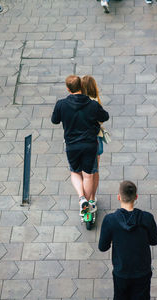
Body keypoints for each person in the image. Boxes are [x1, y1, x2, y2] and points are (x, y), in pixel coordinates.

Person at [51, 75, 109, 215]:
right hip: (90, 145)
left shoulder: (61, 104)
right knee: (88, 176)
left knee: (74, 172)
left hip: (72, 145)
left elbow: (55, 120)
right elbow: (105, 117)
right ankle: (88, 206)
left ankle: (82, 198)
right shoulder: (92, 105)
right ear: (81, 87)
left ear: (67, 88)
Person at [98, 181, 157, 300]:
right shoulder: (147, 218)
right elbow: (154, 240)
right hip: (142, 271)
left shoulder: (110, 220)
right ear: (136, 197)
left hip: (121, 272)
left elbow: (102, 247)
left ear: (119, 197)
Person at [81, 75, 105, 205]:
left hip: (79, 140)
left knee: (82, 173)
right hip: (95, 140)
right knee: (94, 171)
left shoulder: (78, 102)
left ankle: (83, 197)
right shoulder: (96, 101)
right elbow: (102, 119)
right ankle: (92, 199)